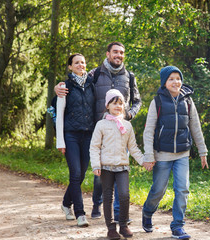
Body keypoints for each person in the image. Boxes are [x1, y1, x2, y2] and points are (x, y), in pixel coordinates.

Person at [55, 41, 142, 221]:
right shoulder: (94, 74)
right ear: (108, 53)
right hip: (98, 130)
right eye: (115, 52)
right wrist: (58, 88)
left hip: (120, 131)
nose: (119, 55)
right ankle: (95, 205)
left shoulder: (129, 76)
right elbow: (75, 88)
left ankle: (119, 214)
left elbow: (137, 101)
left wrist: (129, 116)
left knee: (120, 170)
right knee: (97, 173)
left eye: (122, 53)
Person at [141, 66, 209, 239]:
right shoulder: (157, 102)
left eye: (178, 78)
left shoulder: (187, 101)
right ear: (164, 82)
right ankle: (148, 212)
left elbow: (195, 127)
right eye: (171, 79)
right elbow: (149, 130)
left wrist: (203, 152)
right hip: (162, 154)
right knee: (158, 190)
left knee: (183, 189)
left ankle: (178, 226)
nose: (175, 82)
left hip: (182, 154)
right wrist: (149, 156)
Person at [90, 89, 151, 239]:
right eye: (114, 103)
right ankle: (111, 228)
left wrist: (144, 161)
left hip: (122, 166)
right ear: (108, 105)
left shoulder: (127, 126)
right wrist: (96, 165)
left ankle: (123, 225)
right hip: (106, 167)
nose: (118, 106)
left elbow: (133, 147)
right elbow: (94, 146)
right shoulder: (101, 125)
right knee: (107, 197)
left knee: (124, 195)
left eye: (121, 103)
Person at [56, 53, 95, 227]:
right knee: (75, 174)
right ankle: (80, 214)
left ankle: (66, 203)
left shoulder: (91, 84)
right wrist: (60, 142)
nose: (80, 65)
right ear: (70, 66)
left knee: (81, 174)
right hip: (70, 135)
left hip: (88, 135)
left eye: (83, 62)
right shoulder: (65, 86)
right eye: (76, 63)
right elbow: (59, 115)